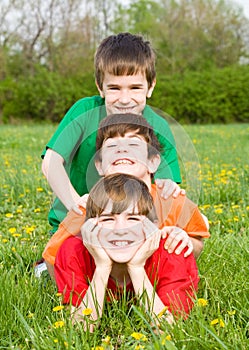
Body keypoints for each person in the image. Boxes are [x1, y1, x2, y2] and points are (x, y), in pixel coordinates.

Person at [41, 32, 183, 238]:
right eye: (114, 88)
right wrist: (78, 206)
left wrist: (168, 189)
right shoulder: (85, 112)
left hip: (133, 228)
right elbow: (51, 163)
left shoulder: (158, 127)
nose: (125, 99)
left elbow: (166, 189)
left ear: (150, 87)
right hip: (76, 228)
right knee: (71, 261)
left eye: (135, 88)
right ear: (100, 87)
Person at [43, 114, 209, 279]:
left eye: (133, 143)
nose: (122, 149)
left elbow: (197, 241)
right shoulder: (87, 207)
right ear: (99, 166)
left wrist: (184, 240)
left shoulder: (172, 200)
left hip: (158, 289)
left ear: (153, 162)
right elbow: (53, 256)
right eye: (112, 145)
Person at [54, 173, 199, 328]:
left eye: (133, 219)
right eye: (107, 219)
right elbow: (80, 330)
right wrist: (102, 267)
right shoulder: (73, 252)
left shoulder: (172, 251)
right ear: (89, 227)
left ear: (153, 227)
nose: (121, 230)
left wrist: (137, 269)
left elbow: (168, 331)